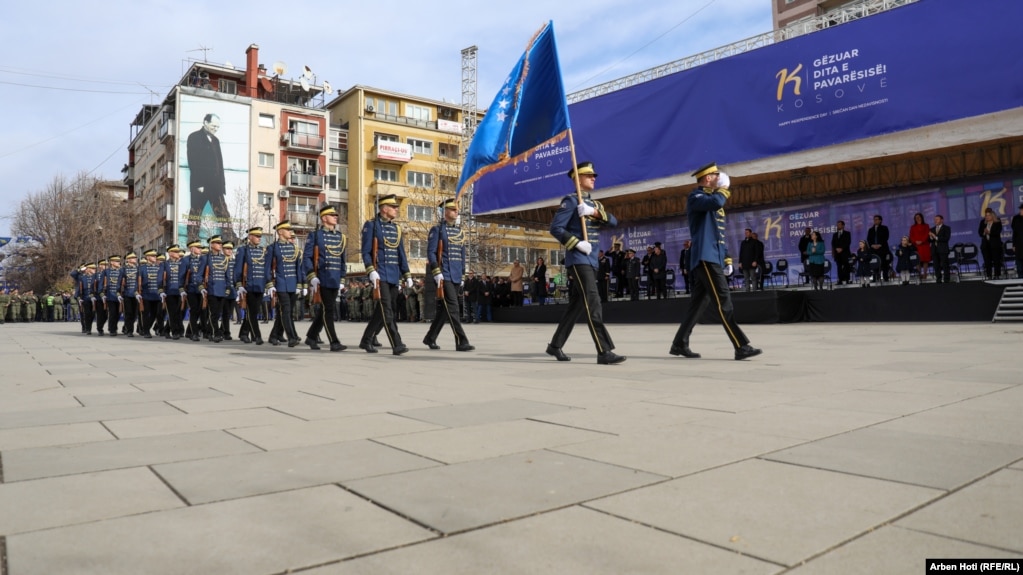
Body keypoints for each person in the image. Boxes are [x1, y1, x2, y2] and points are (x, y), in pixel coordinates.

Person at [670, 163, 761, 361]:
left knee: (698, 305)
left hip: (713, 256)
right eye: (715, 174)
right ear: (707, 178)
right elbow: (716, 203)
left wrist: (726, 257)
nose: (719, 177)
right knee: (723, 301)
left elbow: (718, 233)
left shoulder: (712, 199)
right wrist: (724, 190)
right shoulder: (696, 197)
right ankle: (741, 346)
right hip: (705, 257)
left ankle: (679, 343)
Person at [546, 161, 625, 365]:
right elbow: (556, 228)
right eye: (589, 175)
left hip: (591, 260)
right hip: (579, 258)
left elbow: (614, 222)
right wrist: (576, 243)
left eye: (594, 175)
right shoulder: (571, 201)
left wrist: (594, 213)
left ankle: (555, 345)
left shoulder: (595, 205)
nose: (594, 178)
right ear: (577, 179)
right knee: (593, 302)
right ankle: (604, 350)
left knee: (576, 306)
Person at [360, 194, 412, 355]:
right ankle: (397, 343)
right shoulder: (371, 226)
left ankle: (366, 340)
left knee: (385, 309)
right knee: (387, 310)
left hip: (393, 274)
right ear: (384, 209)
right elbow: (366, 251)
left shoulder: (396, 228)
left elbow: (400, 253)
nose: (396, 209)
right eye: (393, 207)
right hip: (380, 273)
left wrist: (407, 274)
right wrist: (371, 270)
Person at [423, 197, 474, 351]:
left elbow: (462, 255)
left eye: (456, 209)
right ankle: (461, 341)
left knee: (445, 310)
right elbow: (431, 253)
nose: (456, 211)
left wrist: (463, 275)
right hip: (444, 274)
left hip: (456, 274)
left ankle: (430, 337)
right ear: (445, 212)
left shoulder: (459, 232)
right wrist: (436, 271)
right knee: (453, 308)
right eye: (452, 209)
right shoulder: (437, 230)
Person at [303, 205, 348, 351]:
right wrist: (312, 276)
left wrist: (342, 279)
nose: (336, 216)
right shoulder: (315, 235)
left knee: (325, 309)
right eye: (332, 215)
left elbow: (342, 261)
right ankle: (334, 341)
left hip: (335, 278)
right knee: (329, 310)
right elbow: (307, 257)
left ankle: (311, 336)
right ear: (324, 218)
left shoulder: (341, 237)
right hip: (323, 277)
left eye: (336, 215)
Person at [186, 113, 231, 226]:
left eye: (217, 127)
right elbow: (193, 162)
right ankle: (192, 239)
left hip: (216, 186)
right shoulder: (194, 137)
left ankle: (230, 237)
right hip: (201, 186)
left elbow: (219, 164)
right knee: (195, 214)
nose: (216, 129)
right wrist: (198, 184)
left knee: (223, 215)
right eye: (213, 126)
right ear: (205, 122)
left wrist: (222, 186)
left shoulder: (216, 140)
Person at [266, 220, 304, 347]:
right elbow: (268, 268)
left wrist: (300, 284)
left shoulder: (294, 248)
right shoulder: (272, 248)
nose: (290, 232)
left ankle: (273, 336)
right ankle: (292, 337)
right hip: (281, 284)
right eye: (287, 230)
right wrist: (270, 284)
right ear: (280, 232)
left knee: (285, 312)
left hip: (293, 284)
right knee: (286, 310)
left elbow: (298, 268)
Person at [234, 227, 268, 345]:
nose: (259, 238)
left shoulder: (262, 251)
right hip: (249, 285)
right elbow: (238, 268)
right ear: (250, 237)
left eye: (260, 236)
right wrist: (239, 284)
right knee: (252, 312)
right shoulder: (243, 250)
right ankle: (257, 336)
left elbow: (265, 269)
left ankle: (243, 333)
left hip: (260, 285)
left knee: (254, 311)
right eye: (257, 236)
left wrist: (267, 284)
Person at [205, 236, 232, 342]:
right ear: (212, 245)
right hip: (211, 289)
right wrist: (202, 287)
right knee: (213, 313)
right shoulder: (206, 258)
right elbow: (200, 274)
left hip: (222, 289)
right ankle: (216, 333)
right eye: (217, 243)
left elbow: (227, 275)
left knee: (218, 313)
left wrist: (228, 287)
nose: (220, 245)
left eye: (221, 243)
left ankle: (209, 332)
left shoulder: (224, 258)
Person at [161, 245, 186, 340]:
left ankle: (167, 329)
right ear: (170, 253)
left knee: (177, 313)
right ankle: (175, 332)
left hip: (180, 291)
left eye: (178, 252)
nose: (177, 253)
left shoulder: (182, 263)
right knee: (171, 313)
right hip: (170, 291)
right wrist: (161, 290)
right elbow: (161, 278)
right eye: (175, 252)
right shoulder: (165, 264)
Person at [137, 249, 162, 338]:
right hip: (146, 294)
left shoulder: (159, 267)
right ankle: (146, 331)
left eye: (155, 256)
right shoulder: (142, 268)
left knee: (155, 313)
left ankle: (147, 327)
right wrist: (137, 293)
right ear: (147, 257)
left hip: (156, 294)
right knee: (146, 313)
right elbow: (138, 282)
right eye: (153, 256)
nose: (155, 257)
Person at [117, 252, 141, 337]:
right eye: (133, 258)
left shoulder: (139, 269)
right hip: (127, 294)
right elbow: (119, 282)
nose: (135, 259)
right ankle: (129, 330)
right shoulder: (123, 270)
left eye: (135, 258)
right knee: (128, 313)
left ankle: (126, 327)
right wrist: (118, 293)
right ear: (129, 260)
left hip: (137, 295)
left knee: (135, 314)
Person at [978, 207, 1003, 279]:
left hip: (995, 245)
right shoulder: (983, 222)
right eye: (986, 215)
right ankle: (989, 275)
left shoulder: (997, 222)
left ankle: (997, 275)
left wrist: (990, 232)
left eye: (988, 215)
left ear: (992, 215)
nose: (987, 217)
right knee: (987, 261)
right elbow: (980, 233)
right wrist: (984, 232)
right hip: (985, 246)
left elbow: (998, 232)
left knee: (996, 261)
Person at [101, 255, 122, 336]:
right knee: (112, 313)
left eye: (119, 261)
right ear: (112, 262)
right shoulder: (106, 272)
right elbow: (101, 284)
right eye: (116, 261)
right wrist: (102, 293)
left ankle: (113, 326)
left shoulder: (121, 271)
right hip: (111, 296)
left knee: (118, 313)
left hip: (120, 296)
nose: (118, 263)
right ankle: (112, 329)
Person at [867, 214, 891, 281]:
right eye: (874, 219)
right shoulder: (870, 230)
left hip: (883, 248)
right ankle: (875, 277)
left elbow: (886, 237)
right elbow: (869, 239)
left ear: (880, 221)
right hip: (873, 249)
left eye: (876, 219)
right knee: (874, 263)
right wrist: (872, 245)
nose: (875, 221)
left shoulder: (884, 228)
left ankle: (885, 277)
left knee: (884, 263)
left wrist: (880, 244)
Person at [909, 212, 932, 282]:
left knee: (925, 260)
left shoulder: (926, 225)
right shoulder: (912, 227)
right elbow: (911, 236)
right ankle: (919, 274)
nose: (917, 218)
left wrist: (922, 241)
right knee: (917, 261)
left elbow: (927, 234)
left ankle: (925, 274)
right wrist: (915, 241)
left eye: (919, 217)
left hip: (924, 245)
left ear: (922, 217)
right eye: (916, 217)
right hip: (917, 246)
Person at [929, 215, 952, 283]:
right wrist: (930, 237)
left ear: (942, 220)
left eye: (937, 219)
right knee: (936, 265)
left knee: (945, 265)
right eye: (935, 219)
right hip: (934, 250)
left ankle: (946, 279)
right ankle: (938, 279)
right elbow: (929, 240)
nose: (935, 220)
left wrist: (935, 237)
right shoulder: (932, 229)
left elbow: (946, 238)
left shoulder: (946, 228)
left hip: (943, 249)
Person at [831, 220, 852, 285]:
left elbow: (848, 242)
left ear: (843, 225)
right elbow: (833, 243)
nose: (838, 226)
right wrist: (836, 249)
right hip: (837, 254)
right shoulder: (835, 234)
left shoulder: (847, 233)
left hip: (845, 253)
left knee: (846, 266)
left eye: (839, 224)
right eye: (837, 225)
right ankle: (840, 280)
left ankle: (847, 279)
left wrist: (842, 248)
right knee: (839, 267)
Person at [1012, 203, 1023, 278]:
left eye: (1022, 209)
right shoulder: (1016, 218)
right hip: (1019, 245)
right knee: (1019, 265)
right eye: (1020, 209)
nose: (1020, 211)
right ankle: (1020, 280)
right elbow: (1014, 233)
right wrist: (1013, 245)